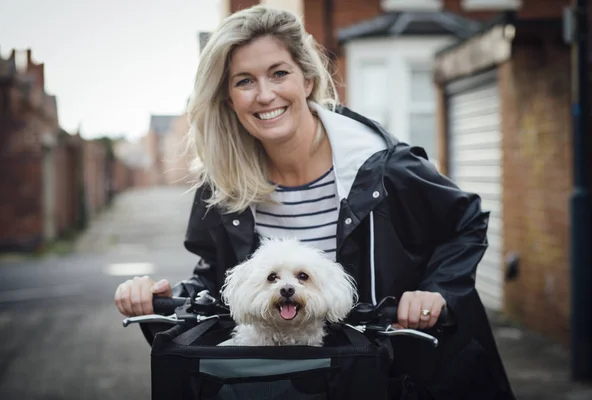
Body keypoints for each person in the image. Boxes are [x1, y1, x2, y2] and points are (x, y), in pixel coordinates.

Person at [114, 5, 515, 399]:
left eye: (279, 73)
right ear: (229, 99)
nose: (265, 94)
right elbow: (217, 281)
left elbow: (466, 223)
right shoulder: (223, 187)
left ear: (306, 79)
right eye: (244, 81)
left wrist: (437, 290)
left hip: (406, 376)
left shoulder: (385, 168)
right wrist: (156, 296)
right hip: (296, 382)